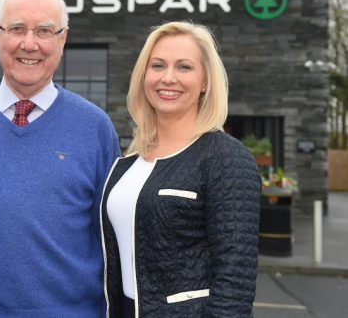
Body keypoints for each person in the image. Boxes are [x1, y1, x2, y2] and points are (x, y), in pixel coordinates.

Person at [0, 0, 120, 317]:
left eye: (44, 31)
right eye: (16, 28)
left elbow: (108, 239)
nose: (29, 43)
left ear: (62, 39)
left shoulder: (95, 128)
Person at [100, 21, 260, 317]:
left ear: (205, 81)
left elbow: (235, 282)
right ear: (144, 76)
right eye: (158, 65)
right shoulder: (128, 162)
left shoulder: (225, 157)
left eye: (184, 67)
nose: (168, 78)